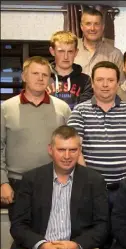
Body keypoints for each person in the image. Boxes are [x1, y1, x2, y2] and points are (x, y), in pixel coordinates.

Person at [9, 125, 108, 249]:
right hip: (36, 248)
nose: (67, 156)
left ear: (79, 150)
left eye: (72, 150)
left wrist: (76, 245)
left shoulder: (95, 181)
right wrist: (42, 246)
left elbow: (103, 226)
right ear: (50, 149)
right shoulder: (31, 179)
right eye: (61, 150)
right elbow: (18, 225)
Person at [67, 61, 126, 204]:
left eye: (110, 80)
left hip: (125, 190)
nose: (105, 85)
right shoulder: (79, 112)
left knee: (122, 226)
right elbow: (75, 149)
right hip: (90, 189)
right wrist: (88, 183)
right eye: (100, 80)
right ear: (92, 83)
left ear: (118, 83)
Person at [1, 56, 71, 206]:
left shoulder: (62, 108)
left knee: (55, 229)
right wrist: (2, 182)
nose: (40, 78)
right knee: (20, 229)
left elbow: (72, 147)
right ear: (24, 76)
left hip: (56, 182)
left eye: (45, 75)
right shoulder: (6, 108)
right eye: (35, 73)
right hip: (17, 184)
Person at [74, 7, 123, 81]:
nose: (92, 28)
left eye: (96, 24)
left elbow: (119, 84)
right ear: (81, 26)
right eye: (88, 24)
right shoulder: (70, 50)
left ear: (103, 27)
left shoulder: (115, 54)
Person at [47, 31, 93, 109]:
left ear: (76, 52)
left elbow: (84, 110)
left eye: (70, 51)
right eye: (61, 51)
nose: (65, 57)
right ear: (52, 51)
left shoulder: (86, 81)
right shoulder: (42, 77)